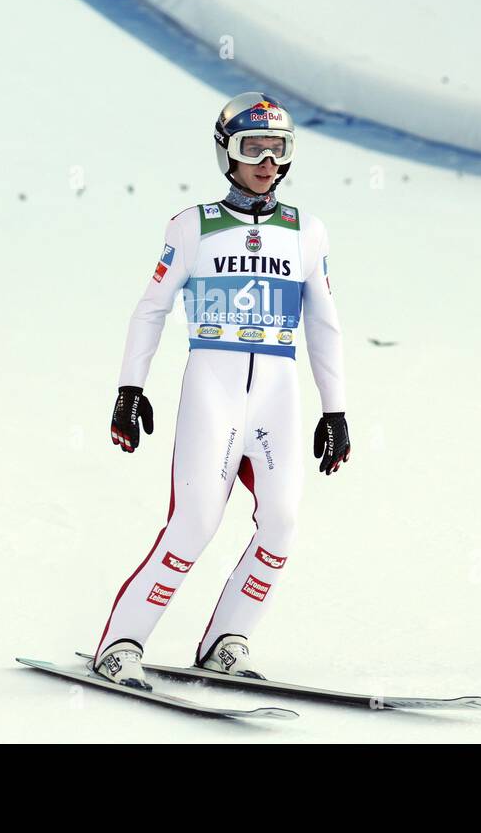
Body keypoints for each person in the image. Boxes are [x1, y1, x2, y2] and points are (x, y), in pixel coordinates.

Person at [92, 92, 351, 690]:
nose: (267, 161)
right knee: (195, 522)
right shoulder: (194, 226)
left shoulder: (306, 231)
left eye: (278, 149)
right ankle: (121, 645)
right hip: (214, 387)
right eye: (252, 147)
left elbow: (324, 321)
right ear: (226, 153)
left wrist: (335, 410)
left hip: (278, 395)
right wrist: (130, 390)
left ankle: (227, 641)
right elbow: (151, 309)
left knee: (282, 522)